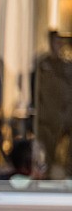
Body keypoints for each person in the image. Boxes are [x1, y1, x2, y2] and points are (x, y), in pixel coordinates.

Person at [34, 30, 72, 179]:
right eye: (55, 41)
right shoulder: (43, 64)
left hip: (66, 114)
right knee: (48, 152)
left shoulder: (67, 65)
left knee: (68, 154)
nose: (58, 45)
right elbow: (36, 91)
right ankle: (47, 180)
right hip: (48, 117)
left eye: (60, 42)